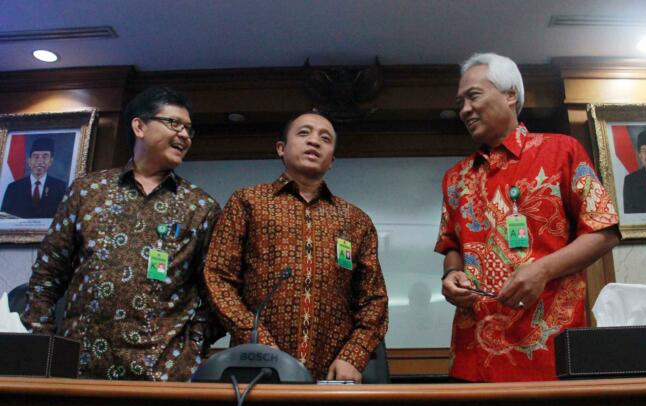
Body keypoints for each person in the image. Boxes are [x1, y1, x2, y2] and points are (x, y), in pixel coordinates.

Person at [436, 53, 620, 382]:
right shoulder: (455, 177)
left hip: (548, 350)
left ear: (510, 95)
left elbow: (604, 231)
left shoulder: (562, 151)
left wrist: (542, 270)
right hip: (473, 356)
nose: (464, 109)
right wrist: (451, 276)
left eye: (473, 96)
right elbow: (451, 245)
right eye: (460, 102)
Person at [22, 87, 222, 381]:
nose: (184, 135)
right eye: (173, 123)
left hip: (162, 377)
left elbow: (217, 294)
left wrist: (191, 349)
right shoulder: (87, 191)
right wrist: (44, 346)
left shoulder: (201, 207)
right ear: (139, 126)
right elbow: (45, 278)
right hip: (79, 371)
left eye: (189, 129)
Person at [204, 111, 388, 382]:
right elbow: (218, 277)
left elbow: (374, 300)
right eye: (304, 133)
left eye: (325, 138)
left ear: (332, 160)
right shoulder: (248, 203)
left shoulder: (355, 220)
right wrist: (256, 340)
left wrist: (353, 356)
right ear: (281, 148)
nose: (314, 141)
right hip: (257, 368)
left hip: (333, 374)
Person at [1, 137, 68, 219]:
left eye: (45, 157)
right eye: (36, 157)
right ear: (29, 161)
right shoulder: (13, 188)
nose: (40, 161)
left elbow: (64, 217)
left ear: (51, 161)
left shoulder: (60, 187)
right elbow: (4, 217)